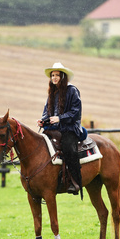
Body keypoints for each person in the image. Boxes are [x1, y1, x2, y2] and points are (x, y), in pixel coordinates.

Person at [37, 62, 86, 199]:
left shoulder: (72, 90)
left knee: (68, 148)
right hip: (54, 128)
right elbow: (47, 111)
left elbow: (76, 112)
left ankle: (75, 182)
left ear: (63, 76)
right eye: (52, 75)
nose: (54, 78)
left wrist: (60, 118)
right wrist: (43, 121)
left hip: (70, 127)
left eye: (57, 75)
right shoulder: (52, 92)